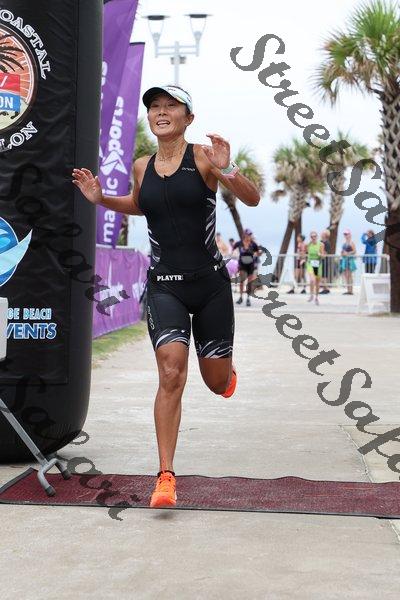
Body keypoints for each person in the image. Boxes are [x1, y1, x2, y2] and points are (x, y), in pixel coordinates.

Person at [72, 84, 260, 509]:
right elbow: (141, 204)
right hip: (165, 286)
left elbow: (252, 198)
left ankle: (225, 375)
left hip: (210, 286)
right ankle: (165, 477)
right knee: (171, 373)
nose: (160, 111)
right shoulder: (142, 165)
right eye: (154, 106)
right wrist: (101, 199)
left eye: (170, 106)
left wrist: (228, 169)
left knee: (215, 383)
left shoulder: (204, 158)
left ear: (187, 117)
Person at [232, 230, 261, 306]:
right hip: (242, 264)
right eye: (248, 235)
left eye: (250, 235)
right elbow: (233, 249)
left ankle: (248, 298)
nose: (249, 236)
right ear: (245, 235)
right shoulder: (239, 243)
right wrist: (234, 254)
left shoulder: (253, 244)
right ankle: (241, 297)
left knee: (249, 282)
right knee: (242, 280)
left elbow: (258, 252)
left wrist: (258, 253)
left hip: (251, 264)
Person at [305, 231, 325, 305]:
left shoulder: (321, 245)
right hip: (310, 263)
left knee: (317, 282)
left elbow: (323, 256)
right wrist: (303, 258)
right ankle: (311, 295)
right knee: (312, 280)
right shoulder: (308, 245)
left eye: (315, 236)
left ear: (317, 237)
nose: (313, 238)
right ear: (310, 237)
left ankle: (316, 297)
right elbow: (305, 253)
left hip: (318, 264)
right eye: (312, 236)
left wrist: (320, 254)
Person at [339, 229, 357, 294]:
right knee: (346, 275)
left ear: (349, 235)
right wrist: (342, 253)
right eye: (345, 234)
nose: (345, 235)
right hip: (345, 260)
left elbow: (354, 251)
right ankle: (348, 289)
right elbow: (343, 251)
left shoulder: (351, 243)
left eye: (346, 234)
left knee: (349, 275)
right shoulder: (344, 243)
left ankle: (351, 290)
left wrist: (347, 253)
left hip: (349, 260)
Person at [319, 229, 332, 294]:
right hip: (320, 261)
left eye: (323, 233)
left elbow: (325, 253)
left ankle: (326, 289)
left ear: (325, 235)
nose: (321, 234)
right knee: (321, 275)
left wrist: (320, 254)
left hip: (325, 261)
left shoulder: (327, 243)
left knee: (324, 275)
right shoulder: (320, 242)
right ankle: (325, 288)